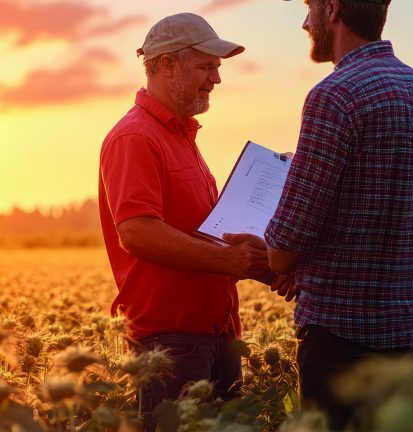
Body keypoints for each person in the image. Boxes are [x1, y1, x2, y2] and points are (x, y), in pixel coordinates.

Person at [262, 0, 413, 428]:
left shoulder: (333, 96)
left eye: (310, 6)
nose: (305, 21)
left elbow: (283, 249)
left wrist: (277, 252)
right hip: (407, 341)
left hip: (338, 344)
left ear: (332, 8)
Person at [97, 12, 267, 431]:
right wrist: (228, 261)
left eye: (217, 68)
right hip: (171, 340)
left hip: (217, 331)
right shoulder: (136, 136)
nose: (216, 79)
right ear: (167, 64)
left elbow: (200, 233)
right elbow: (136, 231)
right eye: (206, 66)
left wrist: (261, 262)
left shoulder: (180, 136)